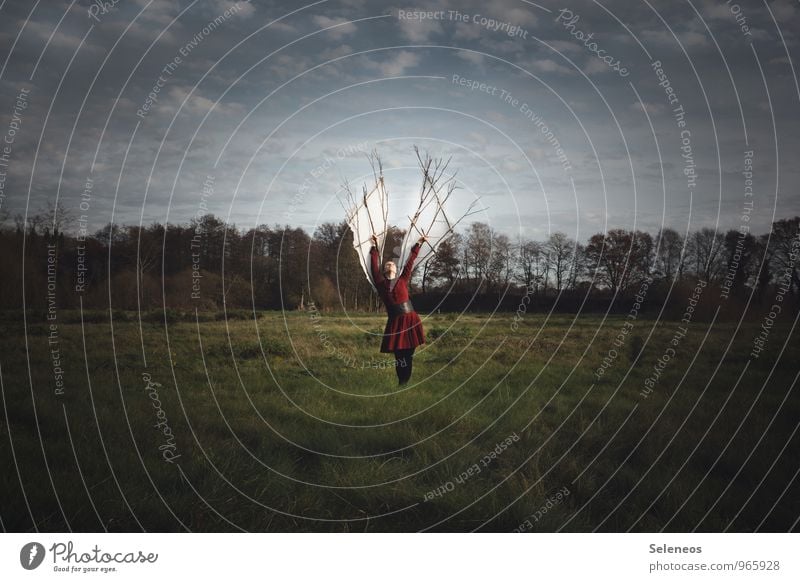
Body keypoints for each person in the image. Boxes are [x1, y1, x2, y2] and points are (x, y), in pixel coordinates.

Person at [370, 234, 427, 385]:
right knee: (399, 355)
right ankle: (402, 381)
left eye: (392, 264)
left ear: (396, 269)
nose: (389, 265)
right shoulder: (380, 284)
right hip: (395, 322)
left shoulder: (402, 279)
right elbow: (374, 267)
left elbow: (410, 262)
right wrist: (374, 247)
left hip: (410, 320)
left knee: (409, 354)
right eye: (387, 264)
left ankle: (405, 380)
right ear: (384, 270)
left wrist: (418, 244)